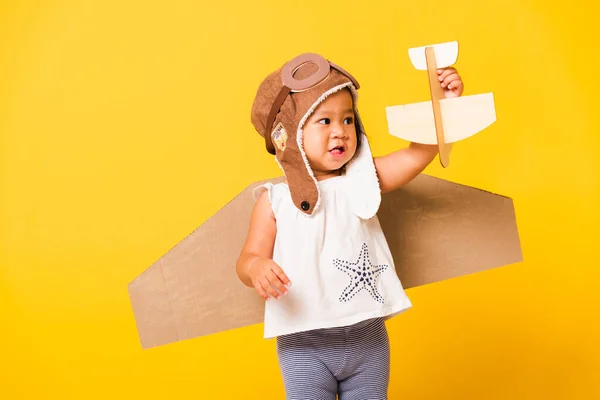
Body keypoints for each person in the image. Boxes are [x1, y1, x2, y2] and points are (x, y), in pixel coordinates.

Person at [236, 53, 464, 399]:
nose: (340, 131)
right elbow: (248, 257)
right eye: (324, 121)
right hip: (303, 342)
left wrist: (444, 107)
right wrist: (256, 268)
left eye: (347, 119)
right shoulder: (275, 201)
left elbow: (416, 154)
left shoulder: (364, 180)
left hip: (367, 337)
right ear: (290, 135)